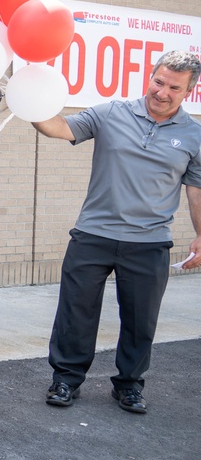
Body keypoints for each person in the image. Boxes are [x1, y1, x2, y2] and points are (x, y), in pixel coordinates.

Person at [33, 50, 201, 415]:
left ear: (188, 91)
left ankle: (129, 385)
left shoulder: (194, 136)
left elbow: (196, 191)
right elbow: (59, 128)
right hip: (93, 234)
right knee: (75, 313)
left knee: (141, 320)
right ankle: (66, 379)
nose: (162, 92)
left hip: (150, 241)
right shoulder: (111, 113)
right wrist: (30, 104)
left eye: (174, 87)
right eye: (159, 81)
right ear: (150, 76)